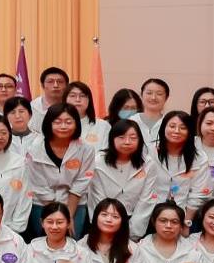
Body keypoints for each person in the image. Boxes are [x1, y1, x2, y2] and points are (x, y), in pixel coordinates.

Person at [22, 104, 94, 239]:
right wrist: (57, 216)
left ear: (76, 124)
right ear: (49, 123)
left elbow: (82, 181)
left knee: (72, 241)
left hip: (75, 204)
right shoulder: (34, 148)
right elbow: (37, 183)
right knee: (45, 241)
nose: (63, 126)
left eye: (68, 122)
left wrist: (68, 216)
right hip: (42, 203)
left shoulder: (86, 149)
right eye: (58, 122)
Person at [87, 120, 157, 237]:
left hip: (134, 219)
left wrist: (132, 233)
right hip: (104, 220)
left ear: (140, 141)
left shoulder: (148, 164)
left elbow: (146, 200)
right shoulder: (98, 162)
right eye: (121, 137)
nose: (127, 142)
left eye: (133, 138)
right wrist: (106, 224)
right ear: (112, 139)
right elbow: (97, 198)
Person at [148, 111, 205, 217]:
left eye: (183, 128)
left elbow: (198, 195)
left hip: (182, 215)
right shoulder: (149, 152)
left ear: (190, 132)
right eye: (172, 126)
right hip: (150, 213)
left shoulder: (199, 158)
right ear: (163, 128)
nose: (177, 131)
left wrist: (187, 220)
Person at [66, 82, 107, 147]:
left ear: (89, 100)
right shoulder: (57, 125)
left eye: (82, 96)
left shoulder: (103, 125)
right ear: (65, 99)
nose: (78, 100)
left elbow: (105, 151)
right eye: (73, 96)